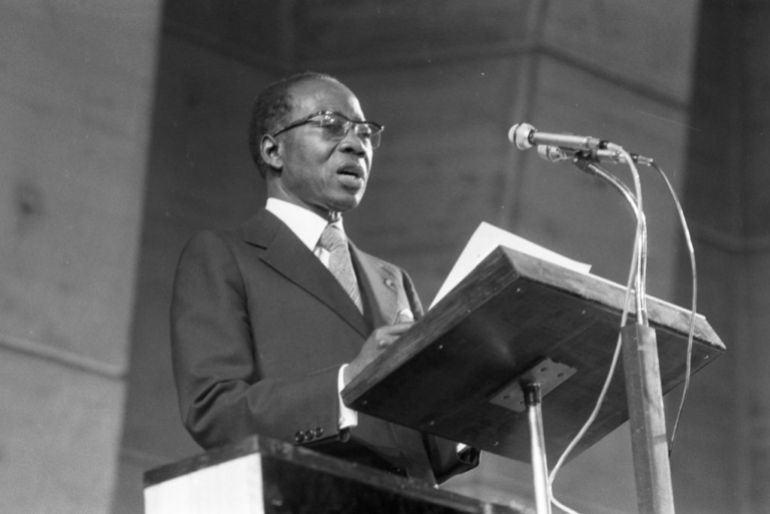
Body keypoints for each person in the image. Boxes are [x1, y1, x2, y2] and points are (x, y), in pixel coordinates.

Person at [170, 72, 477, 485]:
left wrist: (474, 395)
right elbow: (214, 410)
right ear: (273, 149)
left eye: (365, 132)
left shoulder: (393, 279)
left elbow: (426, 442)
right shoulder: (224, 256)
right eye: (331, 125)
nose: (356, 144)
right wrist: (346, 383)